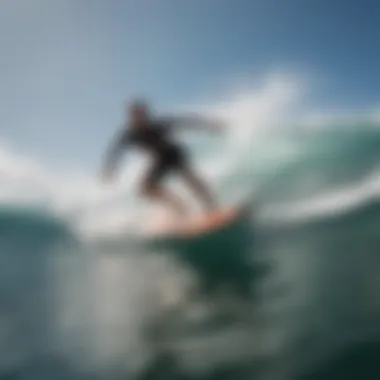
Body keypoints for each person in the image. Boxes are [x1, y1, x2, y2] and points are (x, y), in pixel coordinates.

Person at [100, 99, 223, 217]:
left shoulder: (158, 125)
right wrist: (110, 169)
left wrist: (209, 125)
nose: (141, 119)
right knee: (145, 188)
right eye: (136, 116)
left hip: (174, 154)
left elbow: (185, 122)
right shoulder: (129, 135)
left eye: (143, 115)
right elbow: (116, 151)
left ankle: (212, 206)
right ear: (132, 118)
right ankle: (178, 207)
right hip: (159, 160)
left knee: (191, 180)